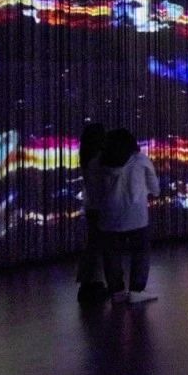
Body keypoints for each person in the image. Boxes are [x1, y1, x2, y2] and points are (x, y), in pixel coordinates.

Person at [98, 128, 160, 304]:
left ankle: (116, 291)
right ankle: (136, 290)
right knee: (140, 252)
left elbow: (95, 189)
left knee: (112, 255)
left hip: (109, 215)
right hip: (137, 215)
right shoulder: (141, 160)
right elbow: (154, 188)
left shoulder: (101, 162)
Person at [75, 121, 108, 303]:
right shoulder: (99, 160)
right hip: (99, 207)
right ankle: (92, 283)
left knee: (93, 246)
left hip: (91, 207)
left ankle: (88, 282)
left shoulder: (87, 158)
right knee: (97, 247)